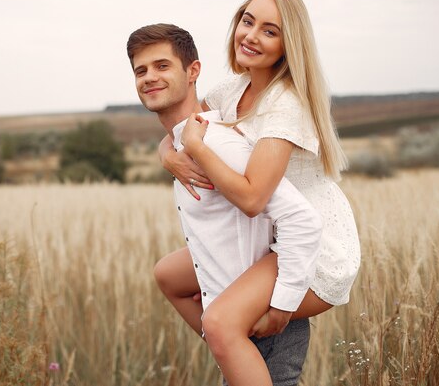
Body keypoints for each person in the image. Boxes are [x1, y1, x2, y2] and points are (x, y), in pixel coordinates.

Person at [155, 0, 361, 386]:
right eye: (248, 22)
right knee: (169, 276)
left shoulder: (285, 105)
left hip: (309, 244)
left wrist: (196, 146)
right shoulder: (229, 91)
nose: (250, 35)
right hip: (263, 237)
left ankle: (231, 338)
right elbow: (182, 131)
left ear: (288, 46)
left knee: (220, 321)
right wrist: (167, 154)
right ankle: (236, 351)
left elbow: (252, 197)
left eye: (270, 31)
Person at [127, 23, 324, 386]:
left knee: (219, 325)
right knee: (168, 274)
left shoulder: (216, 143)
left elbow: (302, 220)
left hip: (267, 324)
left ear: (193, 71)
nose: (149, 77)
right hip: (240, 324)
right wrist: (222, 340)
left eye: (162, 66)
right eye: (141, 70)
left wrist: (281, 304)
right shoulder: (186, 144)